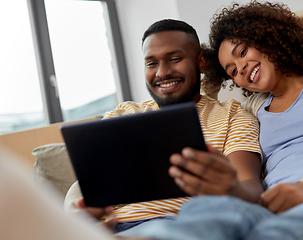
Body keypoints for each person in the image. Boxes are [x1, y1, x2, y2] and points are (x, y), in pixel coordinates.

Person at [107, 2, 303, 239]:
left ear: (267, 37)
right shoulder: (253, 107)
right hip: (273, 205)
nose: (242, 68)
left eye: (242, 51)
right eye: (232, 70)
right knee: (207, 212)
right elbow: (204, 99)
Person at [64, 19, 263, 234]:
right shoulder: (121, 115)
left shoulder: (233, 116)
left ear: (201, 62)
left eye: (174, 59)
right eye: (151, 63)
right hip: (111, 230)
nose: (162, 72)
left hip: (184, 225)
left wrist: (232, 187)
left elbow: (250, 187)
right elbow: (90, 189)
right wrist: (78, 218)